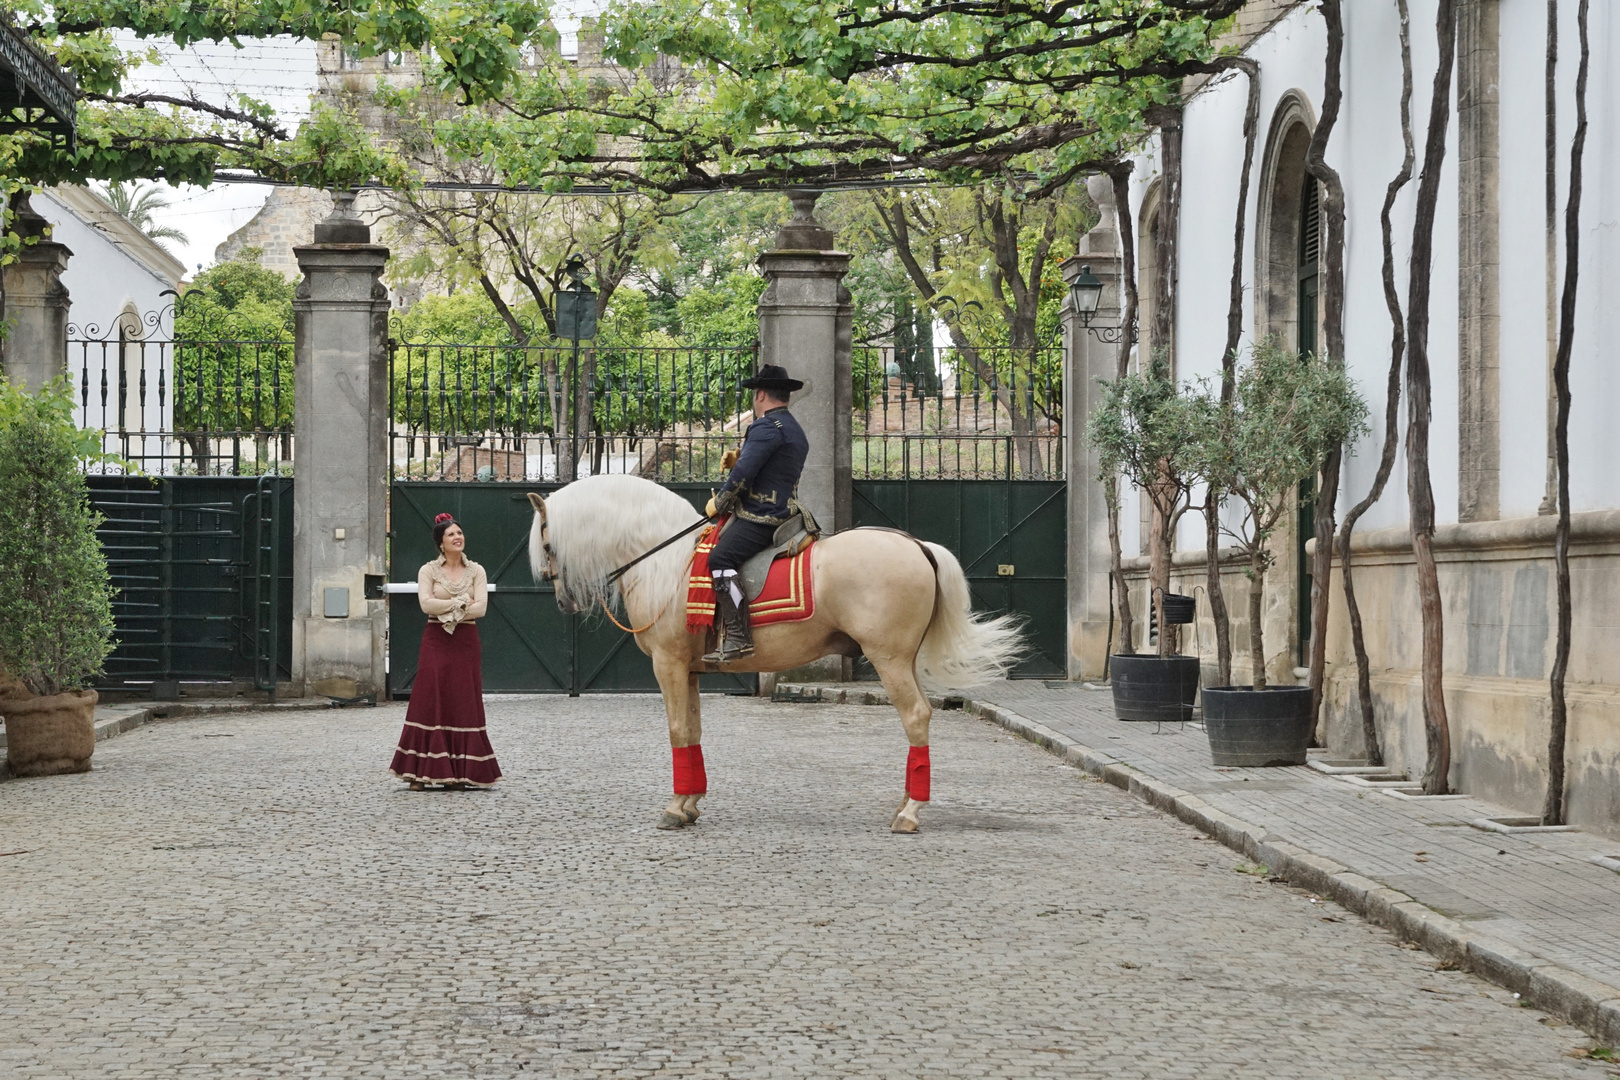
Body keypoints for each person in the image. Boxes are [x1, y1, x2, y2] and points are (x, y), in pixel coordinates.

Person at [701, 364, 809, 662]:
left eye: (754, 394)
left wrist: (720, 502)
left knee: (720, 558)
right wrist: (741, 456)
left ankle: (738, 637)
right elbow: (767, 465)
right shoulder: (792, 428)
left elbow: (745, 475)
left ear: (761, 394)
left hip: (762, 514)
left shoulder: (765, 426)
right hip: (787, 509)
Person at [389, 513, 502, 790]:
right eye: (451, 534)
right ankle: (419, 773)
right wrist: (463, 602)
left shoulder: (477, 570)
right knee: (429, 697)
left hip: (466, 641)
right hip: (435, 639)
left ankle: (462, 772)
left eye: (459, 533)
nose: (457, 537)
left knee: (464, 699)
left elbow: (482, 608)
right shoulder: (428, 571)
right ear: (441, 542)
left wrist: (449, 604)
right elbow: (426, 605)